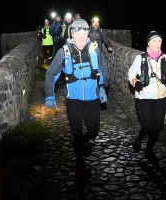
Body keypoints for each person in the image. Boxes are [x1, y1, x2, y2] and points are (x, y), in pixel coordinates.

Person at [44, 19, 109, 176]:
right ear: (72, 34)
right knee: (76, 132)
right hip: (73, 98)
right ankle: (79, 159)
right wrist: (49, 94)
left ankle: (87, 140)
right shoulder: (64, 51)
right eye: (77, 33)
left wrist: (102, 87)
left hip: (92, 97)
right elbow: (51, 73)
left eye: (84, 33)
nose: (81, 37)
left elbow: (103, 68)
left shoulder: (95, 49)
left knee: (93, 131)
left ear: (88, 33)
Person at [128, 31, 166, 161]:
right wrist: (137, 83)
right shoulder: (140, 58)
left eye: (159, 41)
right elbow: (131, 74)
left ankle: (149, 149)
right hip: (144, 97)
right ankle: (139, 137)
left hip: (160, 98)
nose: (157, 44)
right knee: (148, 127)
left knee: (157, 128)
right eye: (154, 41)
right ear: (148, 43)